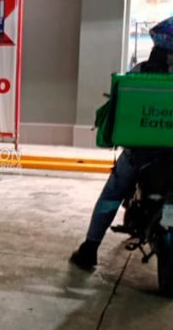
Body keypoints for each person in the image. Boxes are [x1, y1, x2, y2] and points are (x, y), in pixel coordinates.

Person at [69, 20, 173, 271]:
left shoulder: (139, 73)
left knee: (112, 194)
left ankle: (90, 249)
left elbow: (121, 113)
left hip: (140, 153)